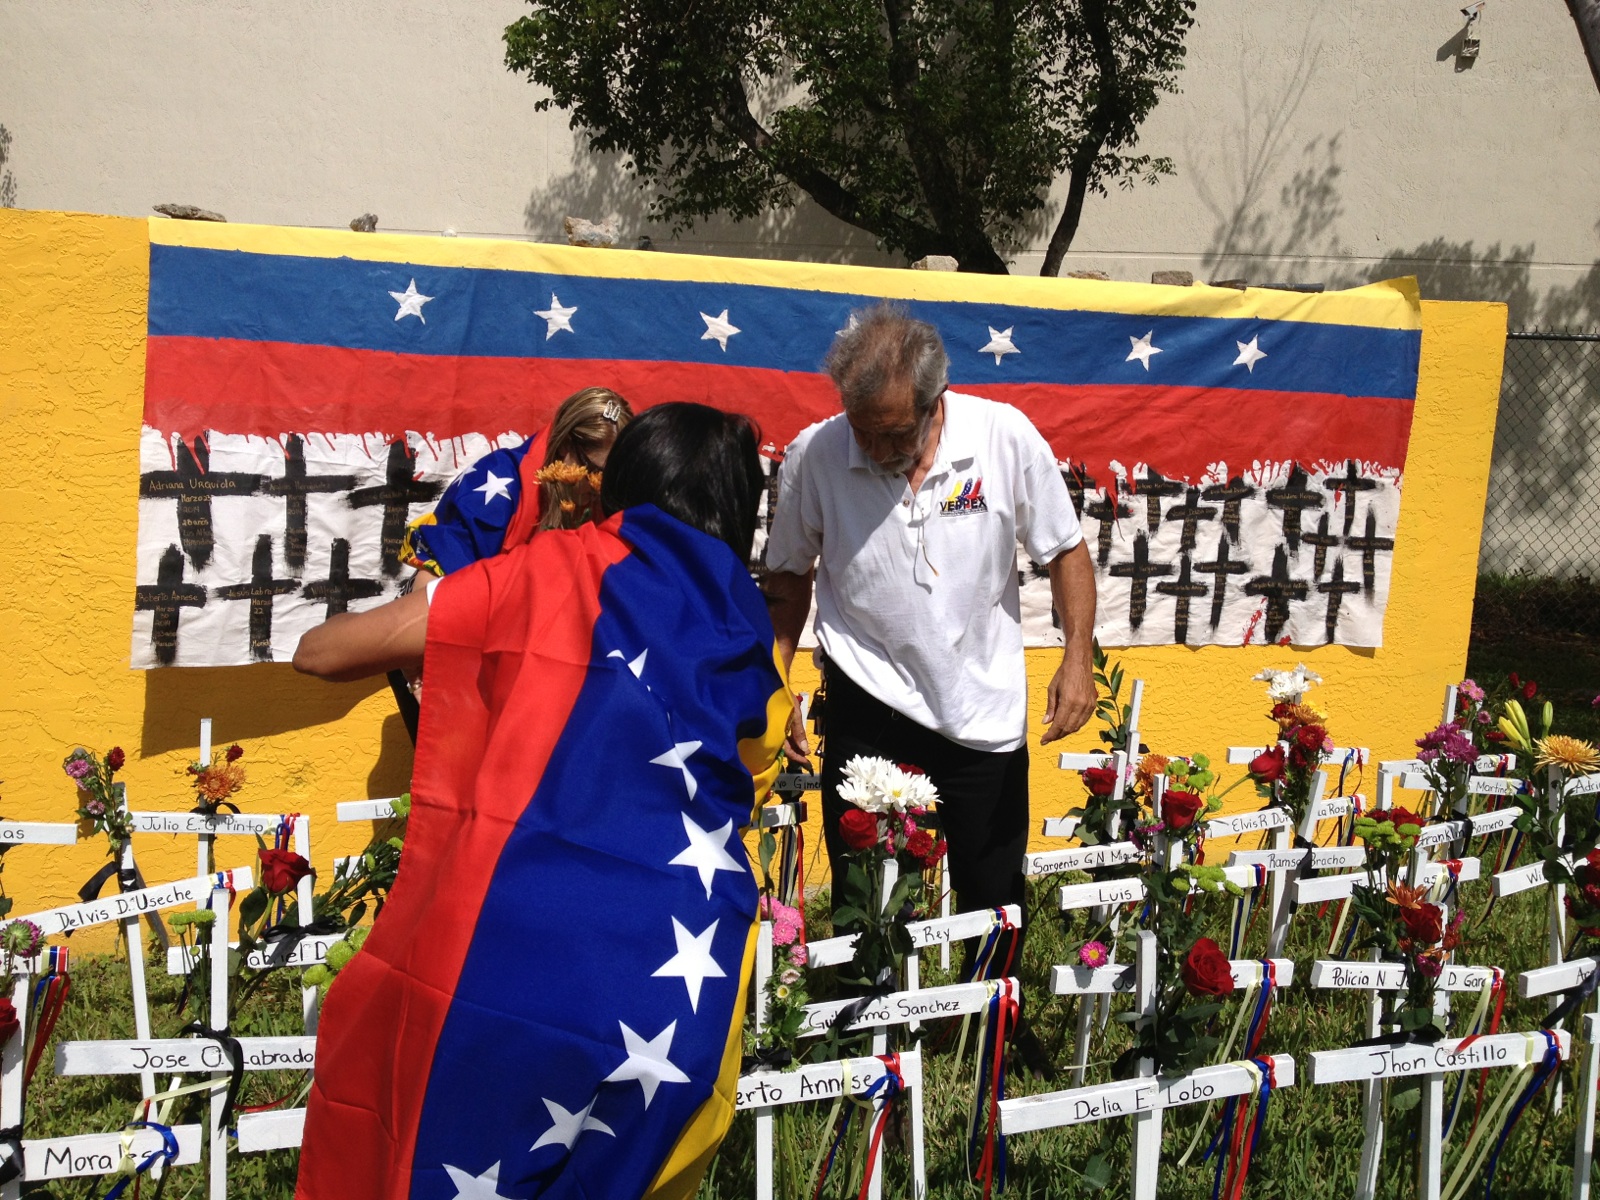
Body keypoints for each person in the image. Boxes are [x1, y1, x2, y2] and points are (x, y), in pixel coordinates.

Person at [293, 403, 789, 1200]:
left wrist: (498, 604)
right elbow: (759, 760)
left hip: (505, 963)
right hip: (675, 988)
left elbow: (320, 655)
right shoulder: (746, 639)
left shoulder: (535, 575)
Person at [763, 305, 1097, 994]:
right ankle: (869, 1045)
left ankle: (985, 1034)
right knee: (870, 900)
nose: (878, 452)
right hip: (868, 706)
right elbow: (789, 574)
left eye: (894, 435)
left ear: (934, 401)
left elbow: (1065, 550)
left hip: (982, 705)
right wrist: (776, 678)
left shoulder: (1003, 437)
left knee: (993, 894)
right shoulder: (816, 454)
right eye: (864, 432)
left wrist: (1078, 658)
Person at [384, 386, 632, 738]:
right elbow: (431, 582)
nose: (600, 488)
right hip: (442, 649)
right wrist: (424, 680)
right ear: (565, 450)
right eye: (594, 471)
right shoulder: (499, 487)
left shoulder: (607, 495)